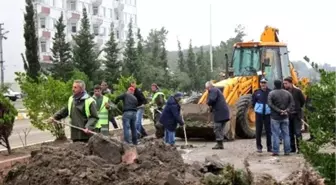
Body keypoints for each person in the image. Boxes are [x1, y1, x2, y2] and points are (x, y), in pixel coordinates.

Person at [267, 79, 294, 156]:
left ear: (274, 85)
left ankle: (275, 151)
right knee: (286, 134)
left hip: (275, 117)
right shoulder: (287, 93)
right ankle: (287, 151)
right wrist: (286, 110)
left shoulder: (271, 93)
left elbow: (270, 104)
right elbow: (291, 103)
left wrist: (279, 111)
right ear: (281, 84)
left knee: (275, 134)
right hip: (285, 117)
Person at [283, 77, 305, 153]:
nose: (284, 85)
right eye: (284, 83)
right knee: (290, 132)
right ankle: (292, 148)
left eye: (286, 83)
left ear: (290, 83)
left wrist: (297, 108)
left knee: (297, 132)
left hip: (296, 114)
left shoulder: (297, 91)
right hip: (288, 115)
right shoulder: (284, 92)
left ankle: (300, 148)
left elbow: (303, 101)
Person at [206, 81, 230, 150]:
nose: (207, 90)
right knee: (220, 129)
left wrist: (208, 103)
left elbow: (212, 99)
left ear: (209, 87)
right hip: (224, 113)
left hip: (220, 113)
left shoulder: (213, 90)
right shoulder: (217, 90)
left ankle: (219, 144)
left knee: (217, 128)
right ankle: (220, 144)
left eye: (207, 88)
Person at [252, 78, 272, 153]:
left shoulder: (270, 92)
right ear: (260, 83)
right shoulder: (256, 92)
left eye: (264, 83)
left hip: (267, 114)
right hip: (259, 114)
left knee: (268, 131)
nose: (263, 84)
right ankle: (259, 147)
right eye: (262, 83)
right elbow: (253, 102)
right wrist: (257, 109)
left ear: (267, 83)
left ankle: (269, 147)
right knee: (258, 131)